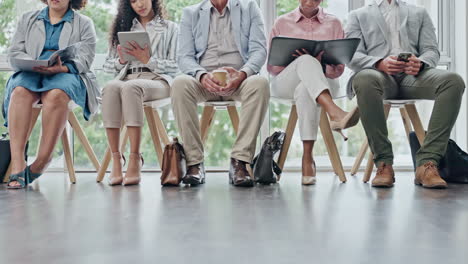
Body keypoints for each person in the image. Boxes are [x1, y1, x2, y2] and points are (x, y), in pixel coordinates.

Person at [346, 0, 465, 188]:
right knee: (364, 79)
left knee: (453, 81)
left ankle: (428, 163)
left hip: (414, 77)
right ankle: (383, 163)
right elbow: (352, 56)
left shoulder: (419, 12)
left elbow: (431, 50)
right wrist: (379, 63)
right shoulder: (358, 15)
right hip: (379, 75)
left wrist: (421, 63)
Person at [172, 0, 269, 187]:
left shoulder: (249, 8)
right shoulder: (190, 13)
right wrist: (201, 75)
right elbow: (184, 56)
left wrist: (242, 74)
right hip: (203, 80)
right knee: (179, 84)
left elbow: (259, 50)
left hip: (239, 80)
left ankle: (240, 162)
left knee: (260, 83)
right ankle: (194, 163)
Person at [3, 0, 99, 189]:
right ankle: (18, 163)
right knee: (19, 92)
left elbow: (86, 58)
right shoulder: (27, 19)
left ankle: (42, 161)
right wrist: (31, 62)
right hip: (31, 71)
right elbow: (14, 51)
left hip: (66, 73)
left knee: (55, 95)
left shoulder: (84, 23)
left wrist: (62, 68)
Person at [267, 0, 359, 186]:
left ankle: (307, 157)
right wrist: (302, 62)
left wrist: (320, 65)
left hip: (326, 81)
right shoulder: (282, 22)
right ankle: (334, 112)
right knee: (306, 61)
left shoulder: (334, 23)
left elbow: (339, 69)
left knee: (305, 89)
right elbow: (272, 67)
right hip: (286, 82)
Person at [102, 0, 178, 186]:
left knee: (130, 88)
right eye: (133, 1)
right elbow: (106, 66)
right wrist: (120, 61)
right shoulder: (124, 28)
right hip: (128, 78)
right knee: (111, 87)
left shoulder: (170, 28)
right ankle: (117, 159)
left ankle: (135, 158)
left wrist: (148, 60)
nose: (139, 4)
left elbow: (177, 64)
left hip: (158, 80)